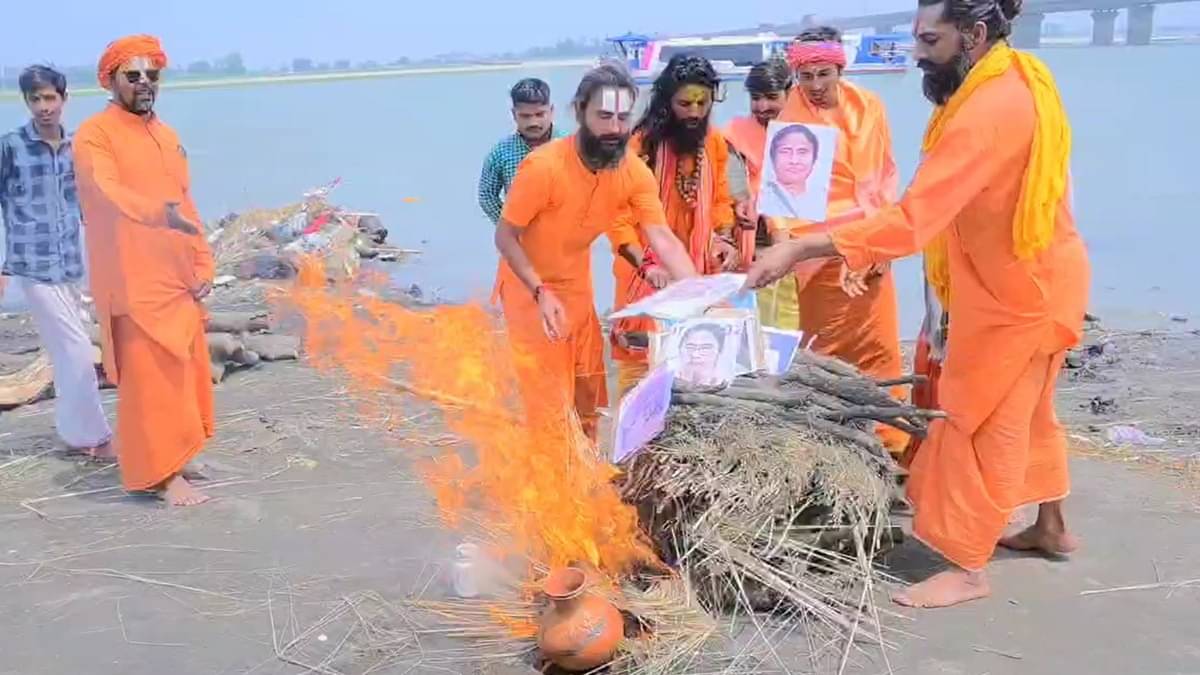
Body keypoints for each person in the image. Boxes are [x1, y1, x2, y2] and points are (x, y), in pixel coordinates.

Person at [745, 0, 1089, 609]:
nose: (917, 53)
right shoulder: (1018, 76)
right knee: (1034, 411)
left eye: (930, 41)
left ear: (973, 34)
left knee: (979, 421)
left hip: (1015, 292)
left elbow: (911, 218)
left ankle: (968, 566)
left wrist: (801, 249)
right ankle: (1051, 527)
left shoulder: (987, 109)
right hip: (1040, 274)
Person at [494, 62, 698, 441]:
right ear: (580, 111)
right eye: (604, 116)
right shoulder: (542, 167)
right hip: (528, 289)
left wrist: (702, 299)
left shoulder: (632, 170)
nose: (615, 128)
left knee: (588, 395)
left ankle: (585, 467)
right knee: (549, 404)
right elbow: (505, 238)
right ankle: (549, 472)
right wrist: (540, 291)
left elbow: (661, 236)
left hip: (577, 288)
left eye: (623, 117)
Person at [74, 35, 216, 507]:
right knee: (148, 380)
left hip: (176, 276)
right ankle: (158, 475)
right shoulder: (94, 135)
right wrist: (158, 214)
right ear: (110, 80)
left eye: (151, 75)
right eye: (132, 75)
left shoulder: (167, 135)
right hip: (130, 278)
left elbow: (186, 202)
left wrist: (202, 260)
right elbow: (105, 191)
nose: (143, 83)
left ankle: (180, 456)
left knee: (183, 373)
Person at [771, 26, 907, 455]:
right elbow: (781, 203)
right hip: (817, 257)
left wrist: (879, 243)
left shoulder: (870, 107)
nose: (814, 85)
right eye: (805, 76)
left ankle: (890, 445)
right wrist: (787, 252)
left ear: (840, 69)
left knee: (879, 348)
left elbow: (885, 176)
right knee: (824, 353)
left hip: (870, 247)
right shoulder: (790, 120)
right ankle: (830, 449)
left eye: (823, 74)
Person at [0, 66, 113, 460]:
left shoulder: (78, 147)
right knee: (78, 351)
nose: (43, 106)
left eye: (50, 98)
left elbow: (90, 203)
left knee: (68, 353)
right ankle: (93, 437)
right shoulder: (10, 147)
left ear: (64, 99)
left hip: (72, 264)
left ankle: (72, 430)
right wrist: (4, 268)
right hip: (33, 266)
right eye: (35, 99)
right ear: (26, 102)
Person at [609, 54, 739, 396]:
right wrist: (647, 266)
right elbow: (618, 219)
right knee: (640, 366)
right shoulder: (638, 147)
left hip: (698, 271)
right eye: (685, 104)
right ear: (667, 102)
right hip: (644, 275)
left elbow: (720, 200)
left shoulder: (713, 142)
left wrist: (724, 240)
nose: (694, 112)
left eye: (702, 103)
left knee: (699, 364)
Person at [722, 59, 800, 330]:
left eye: (771, 97)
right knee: (762, 325)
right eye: (756, 98)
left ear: (790, 93)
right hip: (756, 243)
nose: (762, 106)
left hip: (806, 244)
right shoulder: (734, 136)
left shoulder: (809, 134)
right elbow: (734, 190)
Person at [478, 78, 564, 225]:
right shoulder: (501, 153)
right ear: (514, 114)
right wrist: (511, 227)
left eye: (539, 114)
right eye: (525, 116)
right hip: (521, 235)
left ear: (551, 111)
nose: (533, 123)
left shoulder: (572, 146)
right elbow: (487, 196)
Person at [758, 124, 826, 220]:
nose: (794, 160)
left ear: (814, 159)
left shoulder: (824, 200)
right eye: (785, 151)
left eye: (802, 152)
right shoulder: (759, 197)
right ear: (772, 157)